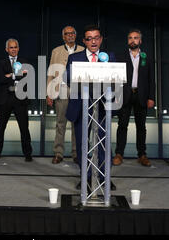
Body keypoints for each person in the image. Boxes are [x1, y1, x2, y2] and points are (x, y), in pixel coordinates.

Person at [66, 25, 116, 190]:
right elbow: (68, 80)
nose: (93, 41)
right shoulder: (74, 58)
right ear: (84, 41)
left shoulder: (109, 57)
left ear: (100, 39)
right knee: (83, 145)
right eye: (89, 38)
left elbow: (115, 80)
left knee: (103, 144)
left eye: (96, 38)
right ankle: (86, 177)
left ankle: (103, 177)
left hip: (102, 108)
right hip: (81, 107)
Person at [113, 29, 155, 167]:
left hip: (141, 96)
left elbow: (151, 80)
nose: (133, 40)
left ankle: (142, 155)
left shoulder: (146, 57)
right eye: (130, 38)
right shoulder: (121, 56)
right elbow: (116, 79)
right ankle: (119, 154)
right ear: (128, 41)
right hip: (124, 95)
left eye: (136, 38)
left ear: (140, 41)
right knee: (122, 126)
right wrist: (116, 95)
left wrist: (151, 97)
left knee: (141, 127)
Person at [0, 38, 33, 162]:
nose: (13, 49)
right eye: (11, 47)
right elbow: (1, 79)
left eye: (15, 47)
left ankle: (28, 154)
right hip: (5, 100)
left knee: (24, 128)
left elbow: (28, 77)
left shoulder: (25, 62)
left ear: (18, 48)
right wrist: (17, 74)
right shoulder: (0, 63)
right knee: (1, 127)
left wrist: (10, 75)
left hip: (20, 99)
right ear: (6, 49)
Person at [47, 26, 85, 164]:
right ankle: (58, 153)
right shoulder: (56, 51)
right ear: (63, 36)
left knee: (76, 122)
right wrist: (49, 93)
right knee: (60, 123)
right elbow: (51, 72)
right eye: (67, 34)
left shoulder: (82, 50)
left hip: (77, 90)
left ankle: (76, 153)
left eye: (72, 33)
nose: (70, 36)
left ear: (75, 35)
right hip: (60, 89)